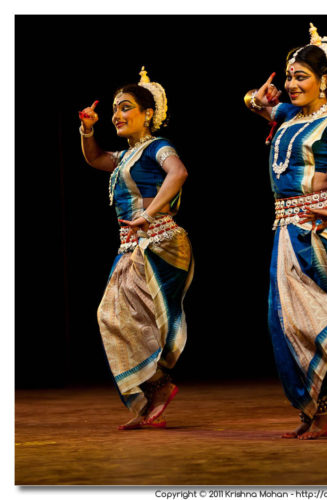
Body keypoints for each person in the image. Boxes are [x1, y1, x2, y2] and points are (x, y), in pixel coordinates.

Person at [244, 24, 327, 439]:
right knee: (284, 321)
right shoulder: (285, 115)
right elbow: (253, 104)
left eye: (302, 77)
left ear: (324, 81)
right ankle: (316, 407)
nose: (291, 84)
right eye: (289, 77)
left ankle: (325, 407)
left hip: (321, 230)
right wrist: (256, 97)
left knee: (317, 319)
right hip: (286, 229)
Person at [79, 67, 194, 430]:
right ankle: (154, 390)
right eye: (114, 109)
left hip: (160, 242)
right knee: (113, 317)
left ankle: (158, 389)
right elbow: (95, 159)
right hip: (132, 246)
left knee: (141, 320)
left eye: (126, 107)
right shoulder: (123, 157)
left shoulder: (159, 147)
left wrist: (149, 213)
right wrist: (87, 130)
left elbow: (178, 173)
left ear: (148, 114)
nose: (117, 115)